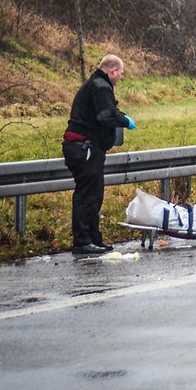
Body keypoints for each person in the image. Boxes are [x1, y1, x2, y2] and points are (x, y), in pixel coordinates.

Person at [62, 54, 136, 255]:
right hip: (84, 147)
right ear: (112, 71)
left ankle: (93, 238)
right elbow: (106, 115)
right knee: (87, 195)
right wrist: (123, 120)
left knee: (95, 194)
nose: (121, 76)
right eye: (120, 72)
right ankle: (82, 241)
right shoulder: (101, 87)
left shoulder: (96, 85)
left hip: (86, 148)